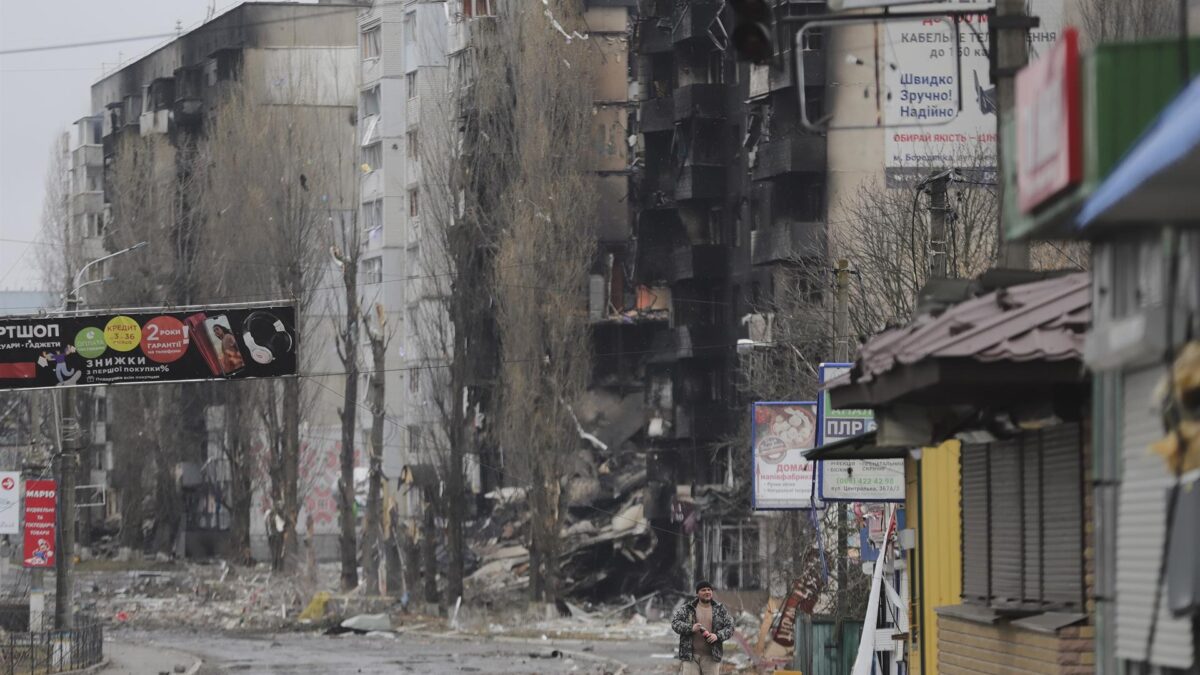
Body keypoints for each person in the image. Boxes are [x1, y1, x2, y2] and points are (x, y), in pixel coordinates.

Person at [671, 580, 734, 674]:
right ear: (697, 593)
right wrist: (690, 628)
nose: (707, 592)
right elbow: (675, 623)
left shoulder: (720, 609)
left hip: (711, 657)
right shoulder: (688, 608)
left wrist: (717, 636)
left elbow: (730, 627)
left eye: (709, 590)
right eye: (703, 590)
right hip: (690, 657)